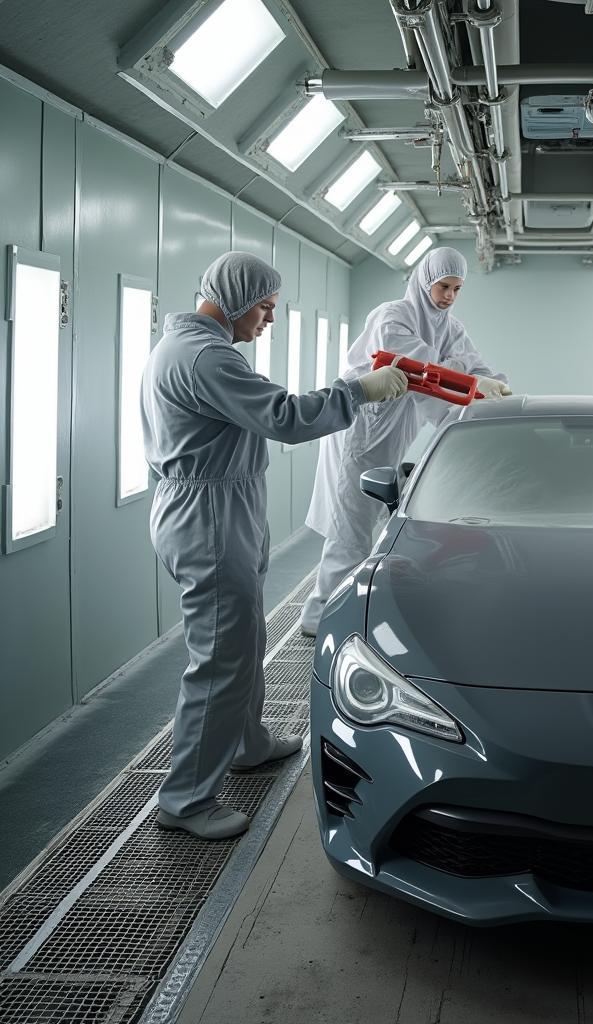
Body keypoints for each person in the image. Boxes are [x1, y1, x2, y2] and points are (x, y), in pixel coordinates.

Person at [140, 251, 408, 840]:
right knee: (218, 659)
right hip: (209, 517)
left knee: (244, 637)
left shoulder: (188, 348)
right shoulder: (207, 357)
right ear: (234, 300)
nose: (269, 320)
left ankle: (246, 741)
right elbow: (284, 416)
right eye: (264, 307)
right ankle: (185, 799)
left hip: (217, 508)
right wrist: (357, 390)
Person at [301, 246, 510, 635]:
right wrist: (470, 379)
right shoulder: (393, 316)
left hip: (395, 428)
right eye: (443, 286)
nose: (449, 296)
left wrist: (498, 385)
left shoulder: (451, 327)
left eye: (457, 288)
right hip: (362, 427)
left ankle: (352, 606)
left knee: (377, 518)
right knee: (351, 527)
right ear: (424, 281)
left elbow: (470, 364)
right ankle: (321, 618)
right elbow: (423, 368)